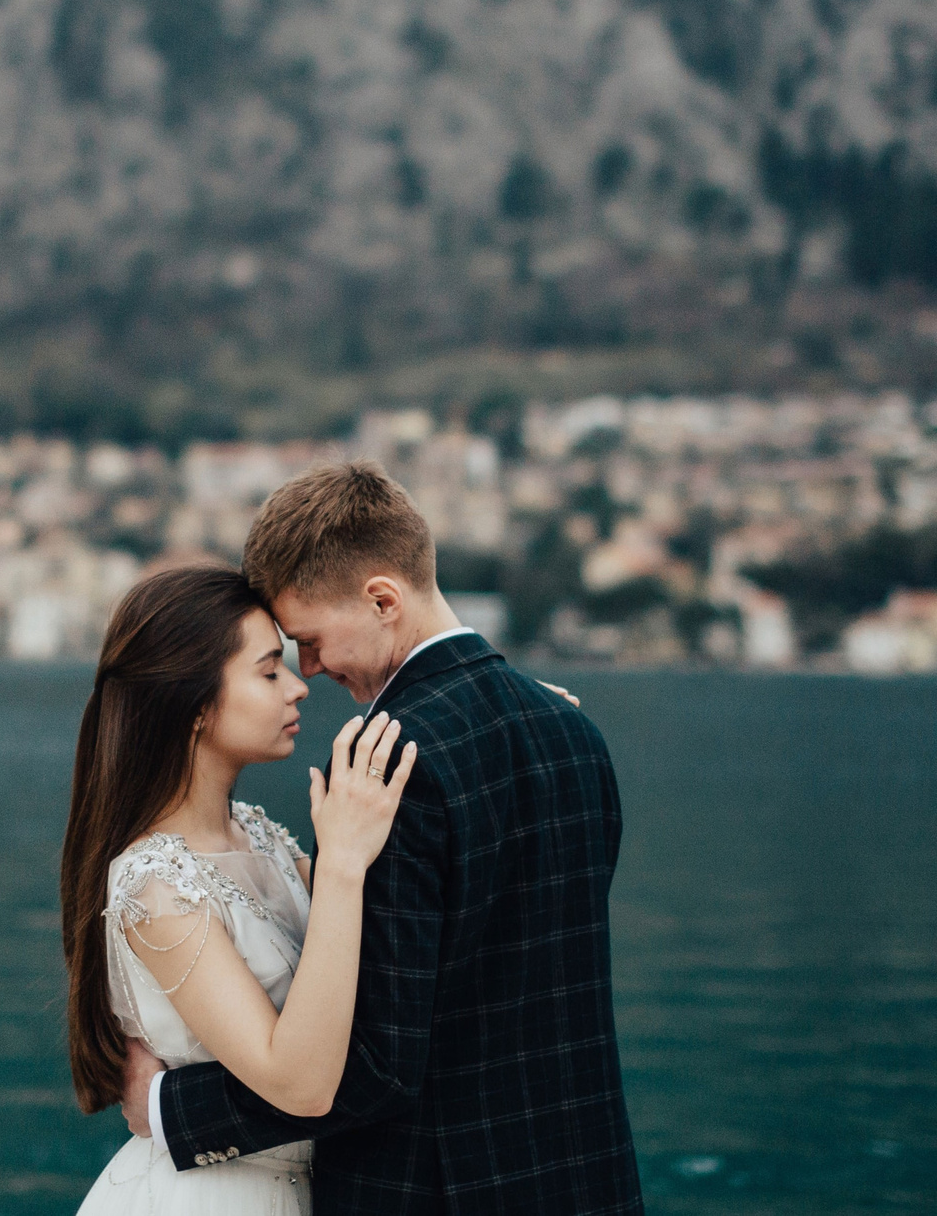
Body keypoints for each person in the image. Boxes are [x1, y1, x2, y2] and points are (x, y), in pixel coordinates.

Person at [115, 462, 645, 1215]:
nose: (311, 669)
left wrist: (171, 1109)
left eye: (312, 639)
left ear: (383, 599)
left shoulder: (383, 766)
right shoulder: (576, 734)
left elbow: (373, 1064)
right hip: (592, 1182)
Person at [62, 561, 417, 1215]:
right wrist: (338, 860)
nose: (299, 687)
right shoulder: (155, 887)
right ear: (197, 707)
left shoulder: (262, 836)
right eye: (268, 670)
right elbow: (300, 1083)